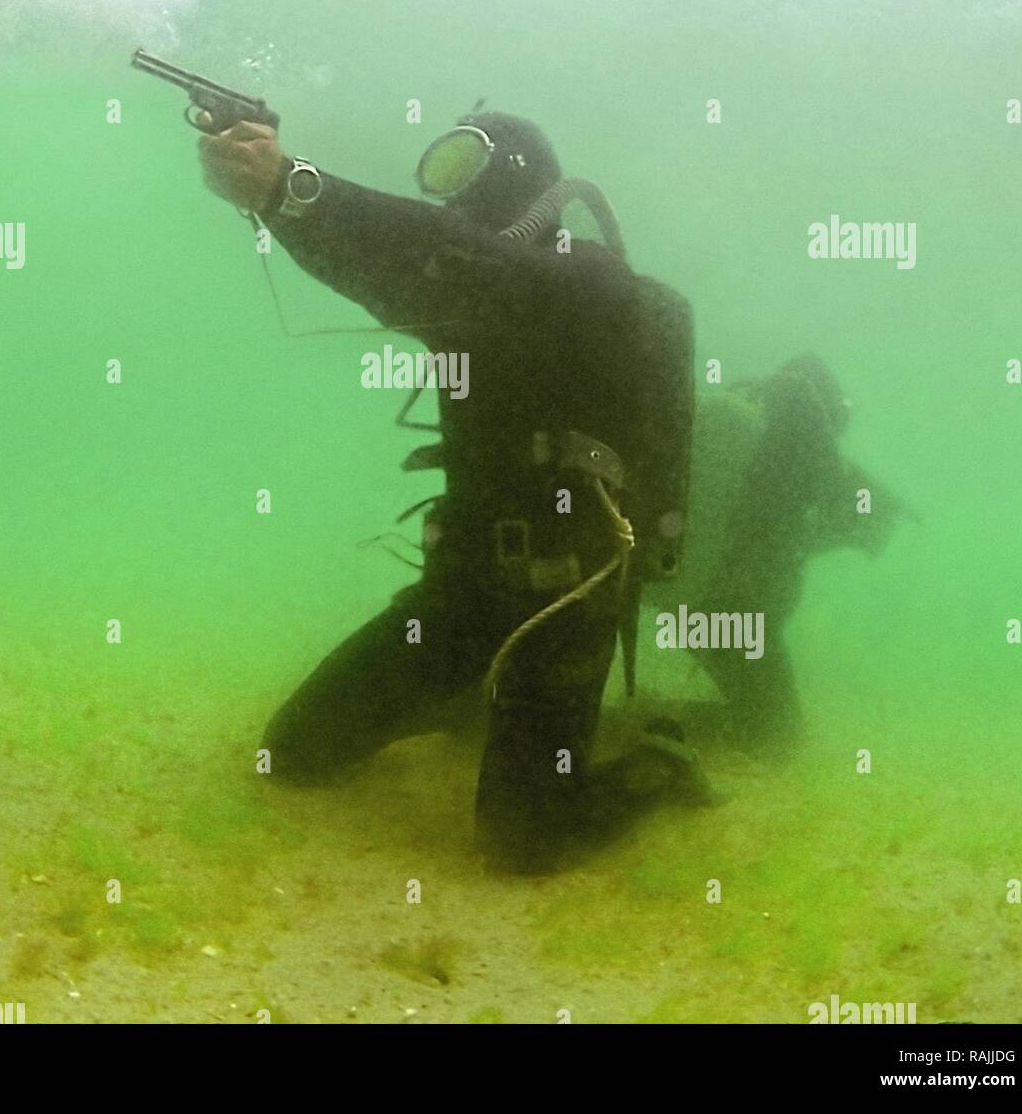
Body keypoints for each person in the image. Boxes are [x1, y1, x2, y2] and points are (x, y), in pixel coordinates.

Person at [197, 108, 702, 873]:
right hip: (461, 592)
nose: (450, 191)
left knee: (522, 839)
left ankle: (658, 765)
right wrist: (280, 202)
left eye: (466, 165)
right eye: (440, 171)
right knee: (293, 754)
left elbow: (450, 257)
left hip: (565, 602)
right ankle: (473, 695)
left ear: (520, 175)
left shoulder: (590, 277)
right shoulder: (460, 289)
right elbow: (385, 264)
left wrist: (290, 190)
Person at [663, 353, 912, 755]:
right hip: (720, 608)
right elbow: (782, 540)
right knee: (779, 737)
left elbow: (763, 532)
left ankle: (651, 720)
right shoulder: (794, 435)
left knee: (764, 716)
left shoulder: (733, 420)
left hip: (677, 593)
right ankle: (657, 728)